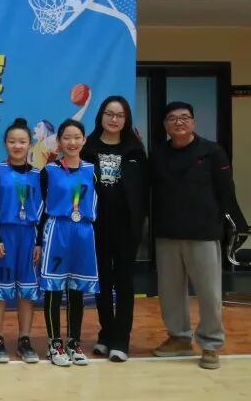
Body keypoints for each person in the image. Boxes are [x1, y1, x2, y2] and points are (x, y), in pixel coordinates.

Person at [151, 101, 240, 370]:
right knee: (170, 293)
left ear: (193, 122)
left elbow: (226, 192)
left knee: (209, 293)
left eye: (184, 117)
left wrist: (222, 226)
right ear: (165, 125)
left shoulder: (212, 152)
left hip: (203, 233)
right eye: (172, 118)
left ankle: (211, 344)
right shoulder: (158, 154)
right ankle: (179, 338)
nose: (179, 122)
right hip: (167, 233)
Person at [83, 96, 148, 362]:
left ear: (126, 119)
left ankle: (121, 339)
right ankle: (106, 334)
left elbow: (144, 190)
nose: (113, 119)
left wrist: (140, 221)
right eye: (109, 114)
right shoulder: (87, 147)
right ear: (101, 116)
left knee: (123, 282)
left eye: (119, 115)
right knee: (102, 282)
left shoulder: (135, 149)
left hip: (126, 227)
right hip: (96, 226)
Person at [37, 119, 99, 367]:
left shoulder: (92, 170)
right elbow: (40, 209)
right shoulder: (49, 171)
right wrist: (38, 241)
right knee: (53, 288)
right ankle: (54, 343)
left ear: (84, 140)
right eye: (67, 138)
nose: (72, 142)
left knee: (77, 289)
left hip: (83, 231)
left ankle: (73, 342)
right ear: (59, 141)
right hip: (57, 230)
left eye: (77, 137)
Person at [0, 118, 43, 364]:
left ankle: (24, 339)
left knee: (27, 291)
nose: (17, 146)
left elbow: (45, 210)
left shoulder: (39, 174)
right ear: (5, 144)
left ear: (29, 144)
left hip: (29, 235)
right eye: (12, 141)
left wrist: (39, 242)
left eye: (22, 141)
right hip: (5, 235)